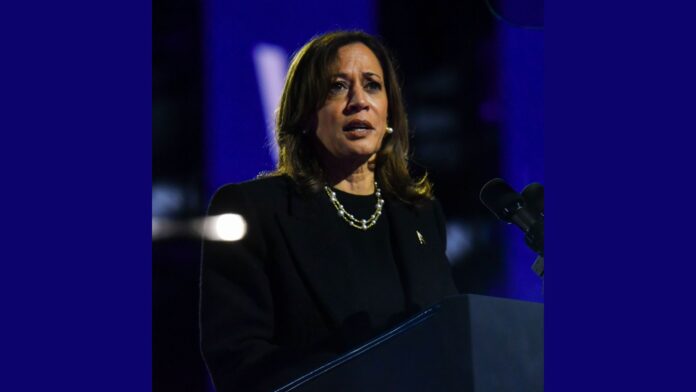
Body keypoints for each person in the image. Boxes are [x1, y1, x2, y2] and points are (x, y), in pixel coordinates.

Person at [200, 30, 458, 391]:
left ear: (389, 113)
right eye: (337, 87)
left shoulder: (420, 215)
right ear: (305, 113)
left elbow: (450, 342)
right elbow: (239, 359)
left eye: (372, 85)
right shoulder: (255, 210)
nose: (359, 101)